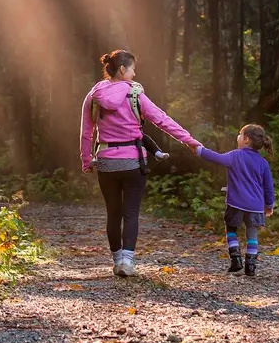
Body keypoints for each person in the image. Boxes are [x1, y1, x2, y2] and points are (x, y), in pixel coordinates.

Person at [80, 50, 199, 277]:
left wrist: (87, 160)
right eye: (133, 69)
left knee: (112, 213)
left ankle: (116, 261)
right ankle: (127, 261)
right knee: (131, 213)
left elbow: (86, 133)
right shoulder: (135, 94)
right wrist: (189, 140)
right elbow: (162, 120)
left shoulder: (93, 95)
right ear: (123, 69)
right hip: (133, 161)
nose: (134, 74)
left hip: (106, 161)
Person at [194, 124, 274, 277]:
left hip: (236, 203)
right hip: (256, 207)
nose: (237, 137)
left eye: (240, 134)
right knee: (252, 234)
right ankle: (251, 266)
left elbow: (216, 157)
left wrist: (199, 150)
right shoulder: (263, 163)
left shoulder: (235, 155)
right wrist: (269, 205)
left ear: (246, 139)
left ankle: (236, 259)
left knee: (231, 229)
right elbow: (268, 187)